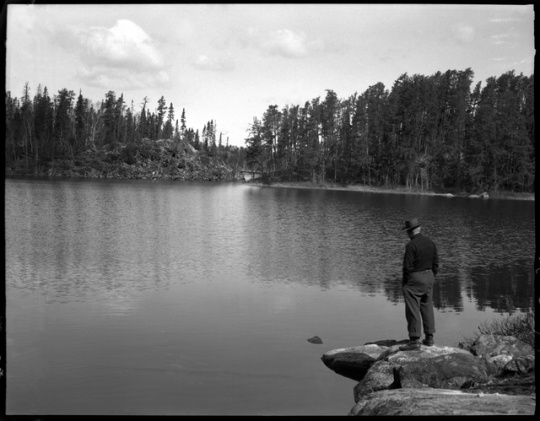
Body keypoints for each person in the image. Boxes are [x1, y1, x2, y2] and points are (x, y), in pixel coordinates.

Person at [399, 218, 439, 350]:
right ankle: (429, 338)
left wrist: (405, 283)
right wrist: (431, 276)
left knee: (412, 308)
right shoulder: (431, 243)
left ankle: (414, 340)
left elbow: (407, 267)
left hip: (415, 278)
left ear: (409, 232)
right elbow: (435, 263)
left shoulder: (411, 245)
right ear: (419, 228)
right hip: (429, 276)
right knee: (427, 307)